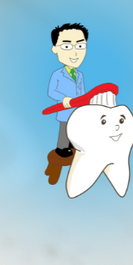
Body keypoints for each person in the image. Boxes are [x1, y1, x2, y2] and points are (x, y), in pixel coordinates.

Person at [45, 23, 90, 183]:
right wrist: (63, 99)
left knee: (75, 131)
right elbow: (52, 92)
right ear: (55, 49)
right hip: (65, 111)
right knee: (64, 132)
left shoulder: (80, 75)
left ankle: (74, 147)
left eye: (80, 45)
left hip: (78, 111)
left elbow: (82, 92)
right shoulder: (58, 74)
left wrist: (85, 103)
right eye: (66, 46)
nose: (74, 52)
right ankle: (62, 149)